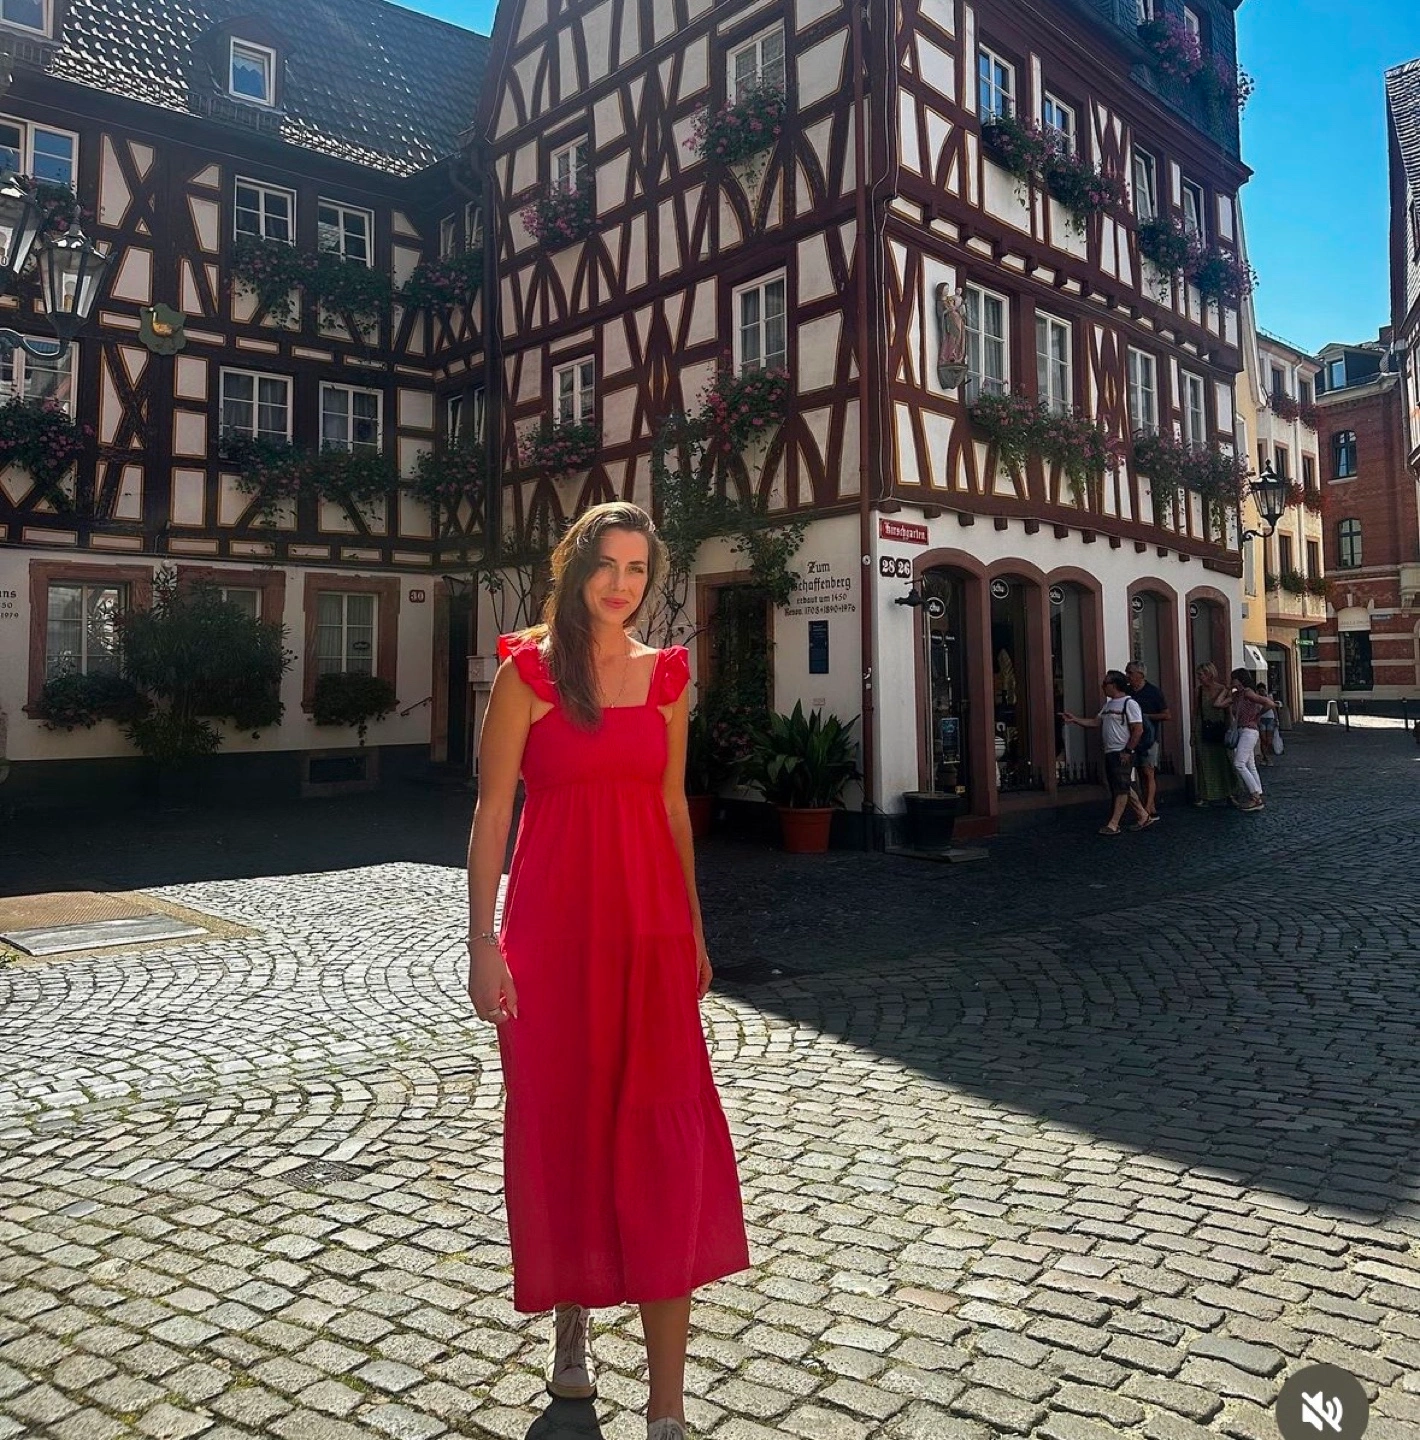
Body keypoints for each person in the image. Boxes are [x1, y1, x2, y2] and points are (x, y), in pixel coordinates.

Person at [465, 500, 750, 1440]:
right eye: (608, 564)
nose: (622, 584)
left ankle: (667, 1407)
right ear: (575, 566)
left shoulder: (668, 678)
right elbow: (492, 813)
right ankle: (572, 1318)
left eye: (638, 569)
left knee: (665, 1139)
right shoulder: (527, 674)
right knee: (566, 1124)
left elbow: (672, 808)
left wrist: (694, 927)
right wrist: (482, 942)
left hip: (650, 933)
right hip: (552, 937)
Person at [1061, 671, 1158, 835]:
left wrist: (1128, 750)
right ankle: (1143, 816)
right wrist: (1075, 720)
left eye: (1105, 683)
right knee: (1122, 784)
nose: (1102, 686)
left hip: (1122, 751)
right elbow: (1095, 722)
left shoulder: (1130, 704)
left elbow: (1138, 729)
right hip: (1110, 751)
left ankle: (1114, 824)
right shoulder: (1108, 705)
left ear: (1114, 685)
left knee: (1121, 787)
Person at [1214, 667, 1274, 812]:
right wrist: (1227, 689)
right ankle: (1258, 793)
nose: (1231, 681)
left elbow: (1269, 703)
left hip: (1249, 731)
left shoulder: (1247, 692)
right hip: (1242, 731)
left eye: (1233, 678)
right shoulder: (1237, 695)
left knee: (1239, 763)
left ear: (1239, 679)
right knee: (1250, 764)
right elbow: (1217, 704)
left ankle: (1255, 797)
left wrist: (1258, 715)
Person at [1123, 661, 1171, 818]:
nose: (1127, 676)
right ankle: (1148, 804)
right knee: (1139, 771)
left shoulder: (1153, 692)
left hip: (1149, 738)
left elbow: (1167, 715)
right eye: (1127, 672)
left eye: (1130, 673)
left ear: (1140, 674)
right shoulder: (1127, 692)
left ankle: (1149, 807)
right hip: (1133, 738)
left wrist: (1146, 717)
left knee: (1148, 771)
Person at [1190, 662, 1236, 807]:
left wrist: (1229, 730)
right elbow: (1196, 712)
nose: (1199, 678)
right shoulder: (1199, 691)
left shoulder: (1222, 689)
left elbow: (1228, 712)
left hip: (1219, 728)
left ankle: (1229, 793)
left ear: (1209, 674)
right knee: (1204, 763)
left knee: (1223, 761)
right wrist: (1193, 732)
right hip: (1203, 728)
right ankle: (1205, 795)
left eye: (1200, 675)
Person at [1255, 682, 1278, 766]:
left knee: (1269, 740)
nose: (1261, 692)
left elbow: (1273, 708)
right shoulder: (1256, 699)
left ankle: (1266, 756)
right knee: (1263, 739)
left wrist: (1276, 718)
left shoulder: (1269, 697)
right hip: (1261, 720)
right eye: (1260, 691)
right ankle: (1266, 757)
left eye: (1263, 690)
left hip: (1270, 719)